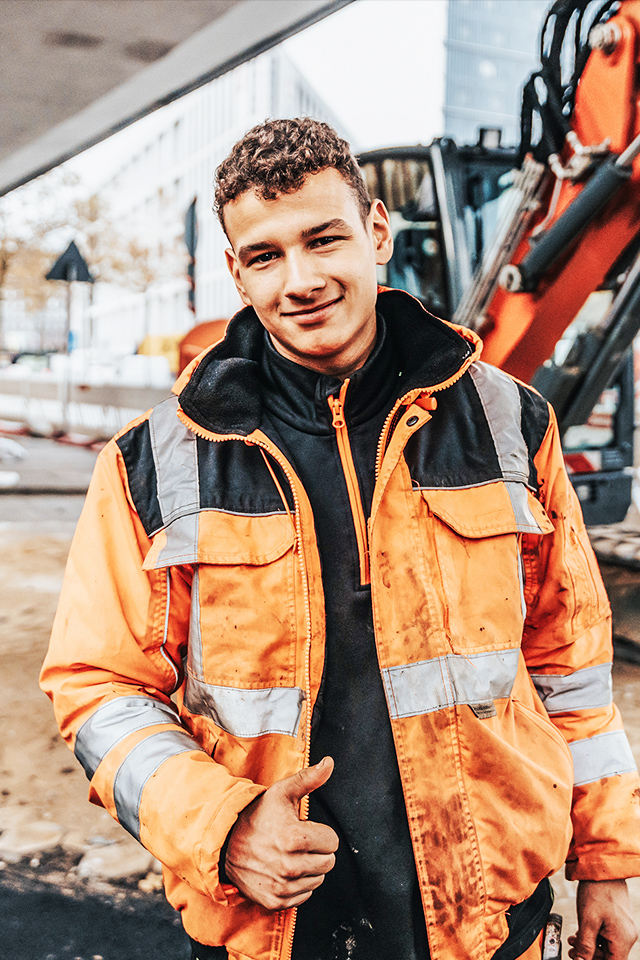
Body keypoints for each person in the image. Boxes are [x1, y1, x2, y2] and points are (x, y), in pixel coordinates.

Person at [41, 118, 640, 960]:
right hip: (272, 928)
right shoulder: (156, 460)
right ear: (235, 274)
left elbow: (572, 669)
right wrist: (225, 824)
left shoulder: (509, 422)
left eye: (324, 239)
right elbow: (99, 687)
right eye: (265, 255)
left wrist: (607, 861)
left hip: (489, 918)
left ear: (378, 233)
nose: (301, 279)